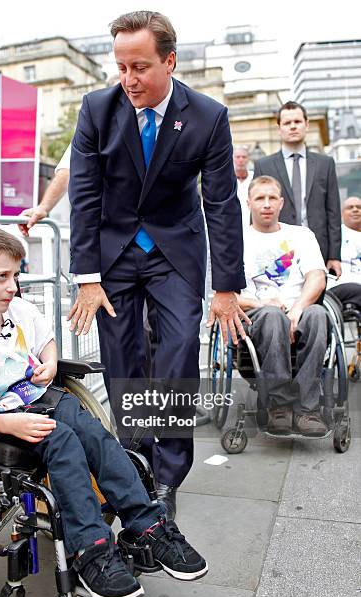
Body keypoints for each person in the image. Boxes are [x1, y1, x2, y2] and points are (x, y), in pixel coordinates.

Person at [0, 224, 208, 597]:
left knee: (93, 432)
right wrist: (9, 423)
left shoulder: (20, 310)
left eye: (16, 275)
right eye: (2, 277)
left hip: (44, 397)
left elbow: (46, 342)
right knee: (62, 440)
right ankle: (90, 551)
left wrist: (48, 363)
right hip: (2, 421)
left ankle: (149, 525)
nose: (13, 286)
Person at [68, 11, 248, 519]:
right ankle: (133, 469)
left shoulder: (208, 116)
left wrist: (227, 286)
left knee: (176, 358)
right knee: (123, 364)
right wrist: (86, 277)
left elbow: (220, 203)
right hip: (114, 256)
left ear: (170, 61)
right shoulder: (96, 109)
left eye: (140, 67)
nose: (128, 80)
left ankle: (168, 479)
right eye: (121, 67)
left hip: (175, 254)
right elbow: (84, 197)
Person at [238, 175, 328, 437]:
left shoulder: (301, 235)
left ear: (281, 203)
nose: (266, 204)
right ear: (249, 203)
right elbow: (229, 296)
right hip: (257, 313)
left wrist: (297, 308)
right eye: (260, 198)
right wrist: (264, 303)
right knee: (272, 315)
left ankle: (307, 409)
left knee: (318, 314)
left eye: (271, 198)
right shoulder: (237, 240)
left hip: (298, 309)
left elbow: (317, 277)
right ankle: (279, 406)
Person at [253, 101, 341, 277]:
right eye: (287, 123)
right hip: (279, 250)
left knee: (315, 299)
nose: (293, 126)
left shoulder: (325, 164)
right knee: (282, 298)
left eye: (297, 122)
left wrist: (334, 256)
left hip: (316, 248)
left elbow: (333, 212)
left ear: (306, 125)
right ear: (279, 128)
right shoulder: (264, 165)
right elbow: (257, 210)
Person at [18, 143, 71, 236]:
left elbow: (67, 170)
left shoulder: (88, 130)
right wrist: (43, 207)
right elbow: (67, 170)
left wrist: (43, 207)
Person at [327, 196, 361, 309]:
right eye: (350, 207)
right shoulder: (333, 235)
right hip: (339, 287)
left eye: (359, 207)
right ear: (341, 214)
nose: (355, 210)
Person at [233, 146, 253, 235]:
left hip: (252, 226)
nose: (241, 160)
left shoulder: (255, 177)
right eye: (238, 157)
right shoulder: (226, 179)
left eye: (244, 157)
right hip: (233, 227)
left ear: (248, 159)